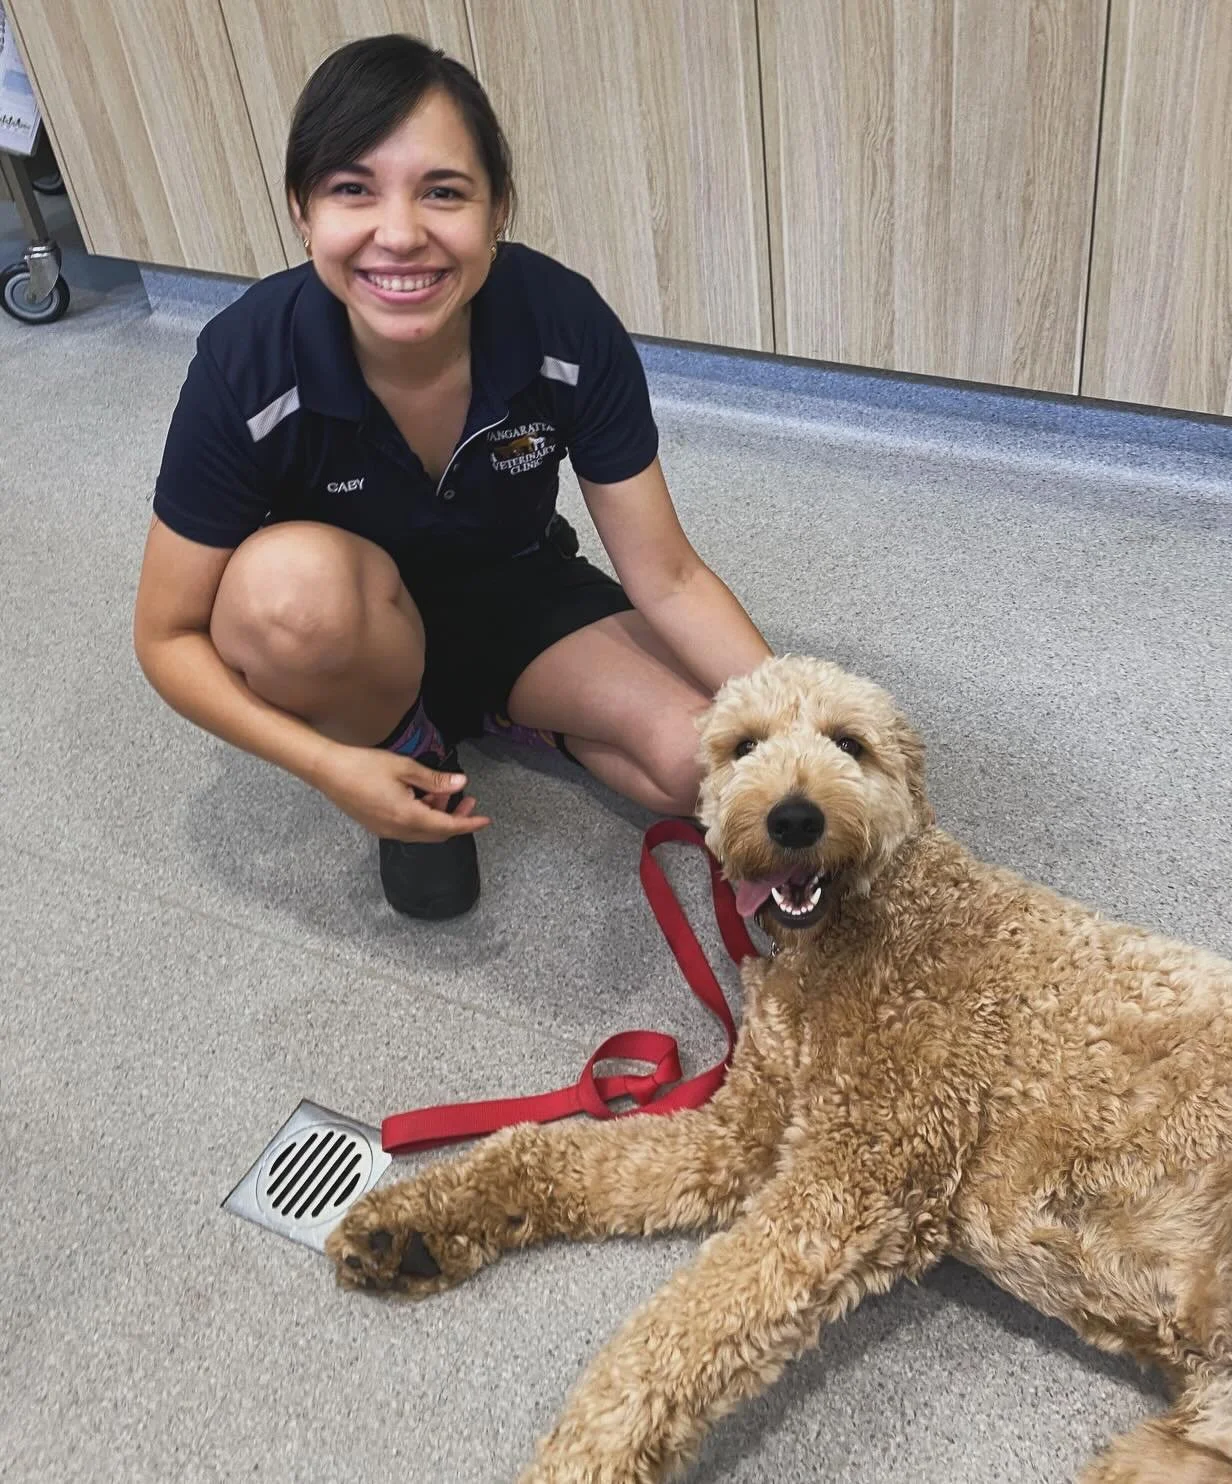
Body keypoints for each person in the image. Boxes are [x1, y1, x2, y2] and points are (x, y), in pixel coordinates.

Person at [133, 34, 770, 921]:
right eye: (352, 189)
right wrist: (332, 766)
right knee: (285, 591)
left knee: (705, 767)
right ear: (301, 210)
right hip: (344, 626)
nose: (400, 235)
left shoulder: (564, 324)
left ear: (498, 207)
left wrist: (809, 729)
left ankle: (512, 711)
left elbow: (668, 575)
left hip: (517, 590)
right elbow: (166, 637)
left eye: (443, 191)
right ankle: (409, 744)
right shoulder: (246, 362)